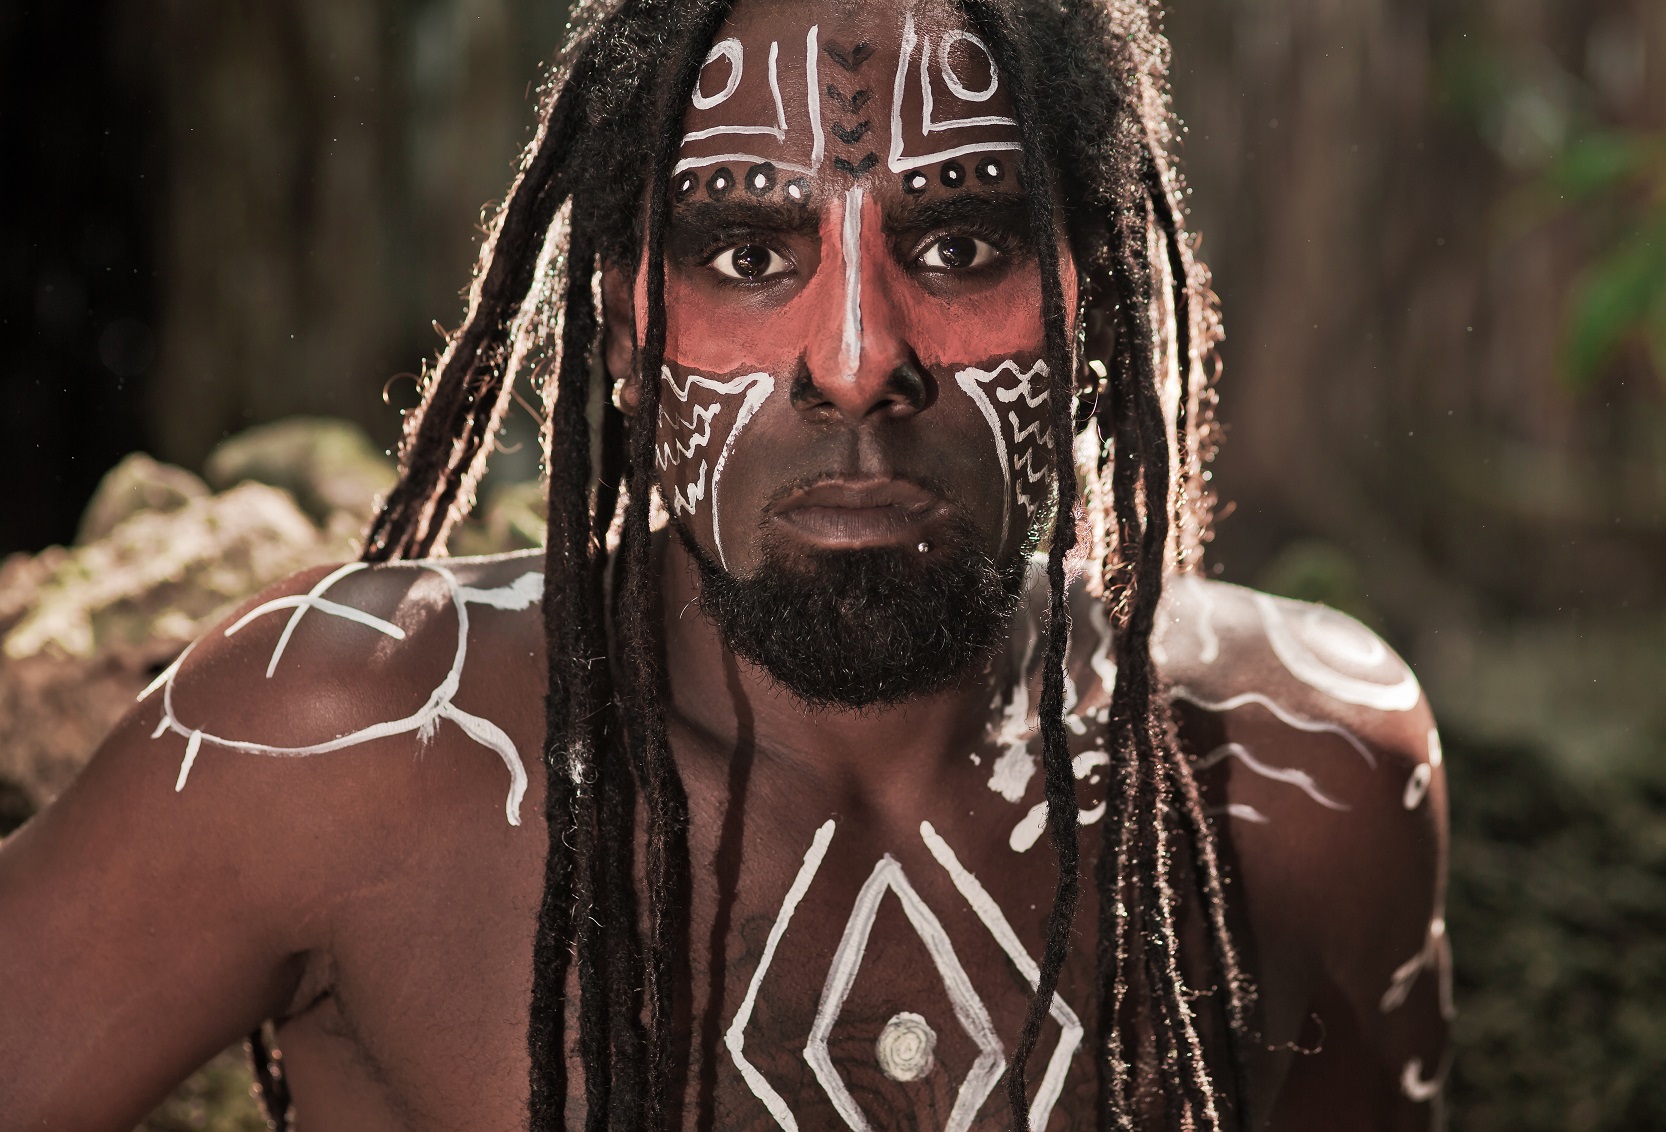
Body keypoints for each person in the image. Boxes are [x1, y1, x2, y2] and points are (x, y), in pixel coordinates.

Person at [0, 0, 1451, 1128]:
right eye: (748, 253)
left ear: (1090, 303)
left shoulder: (1295, 768)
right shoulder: (338, 743)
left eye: (956, 243)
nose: (854, 358)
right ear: (628, 326)